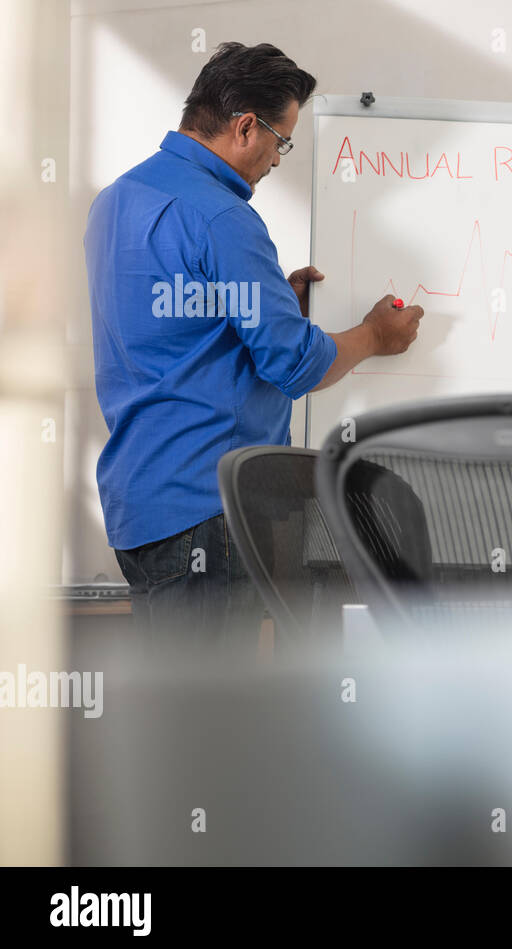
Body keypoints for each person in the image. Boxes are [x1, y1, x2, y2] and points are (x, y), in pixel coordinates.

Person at [84, 42, 423, 648]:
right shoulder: (222, 216)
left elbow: (171, 327)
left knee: (180, 713)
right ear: (246, 126)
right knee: (215, 719)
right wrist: (375, 335)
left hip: (141, 504)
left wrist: (267, 307)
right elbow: (296, 366)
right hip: (208, 508)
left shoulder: (116, 200)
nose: (276, 159)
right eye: (281, 140)